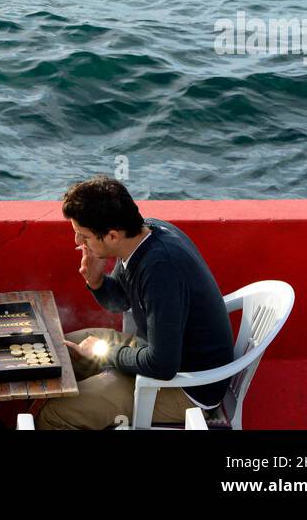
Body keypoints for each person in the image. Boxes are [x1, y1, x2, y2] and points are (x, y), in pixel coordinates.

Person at [36, 176, 234, 430]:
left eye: (83, 236)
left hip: (186, 386)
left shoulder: (162, 270)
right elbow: (120, 300)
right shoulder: (142, 236)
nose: (77, 243)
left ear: (112, 236)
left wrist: (106, 352)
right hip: (153, 352)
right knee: (56, 355)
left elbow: (161, 365)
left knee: (55, 416)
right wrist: (96, 281)